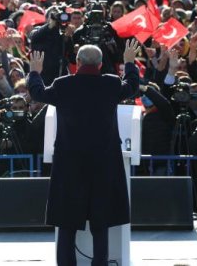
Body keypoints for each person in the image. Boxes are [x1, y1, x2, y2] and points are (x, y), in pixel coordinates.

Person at [27, 39, 141, 266]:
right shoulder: (110, 84)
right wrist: (129, 63)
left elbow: (37, 93)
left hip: (70, 163)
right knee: (101, 222)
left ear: (77, 62)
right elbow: (132, 86)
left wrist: (35, 72)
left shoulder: (63, 85)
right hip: (104, 162)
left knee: (67, 222)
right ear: (100, 64)